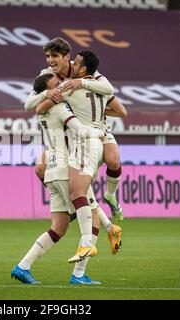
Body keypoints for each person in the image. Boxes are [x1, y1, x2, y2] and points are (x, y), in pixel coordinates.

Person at [11, 73, 107, 285]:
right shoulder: (59, 108)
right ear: (48, 91)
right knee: (93, 221)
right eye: (56, 85)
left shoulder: (43, 111)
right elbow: (80, 130)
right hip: (65, 170)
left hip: (51, 174)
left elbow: (35, 105)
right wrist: (101, 134)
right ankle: (79, 275)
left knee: (58, 227)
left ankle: (23, 266)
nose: (60, 87)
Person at [24, 37, 125, 223]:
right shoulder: (47, 75)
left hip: (92, 129)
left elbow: (111, 93)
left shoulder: (83, 72)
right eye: (47, 56)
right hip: (68, 133)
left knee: (113, 160)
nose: (50, 60)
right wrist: (47, 93)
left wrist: (82, 87)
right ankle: (73, 208)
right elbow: (31, 105)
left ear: (66, 57)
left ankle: (107, 202)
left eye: (54, 56)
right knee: (40, 169)